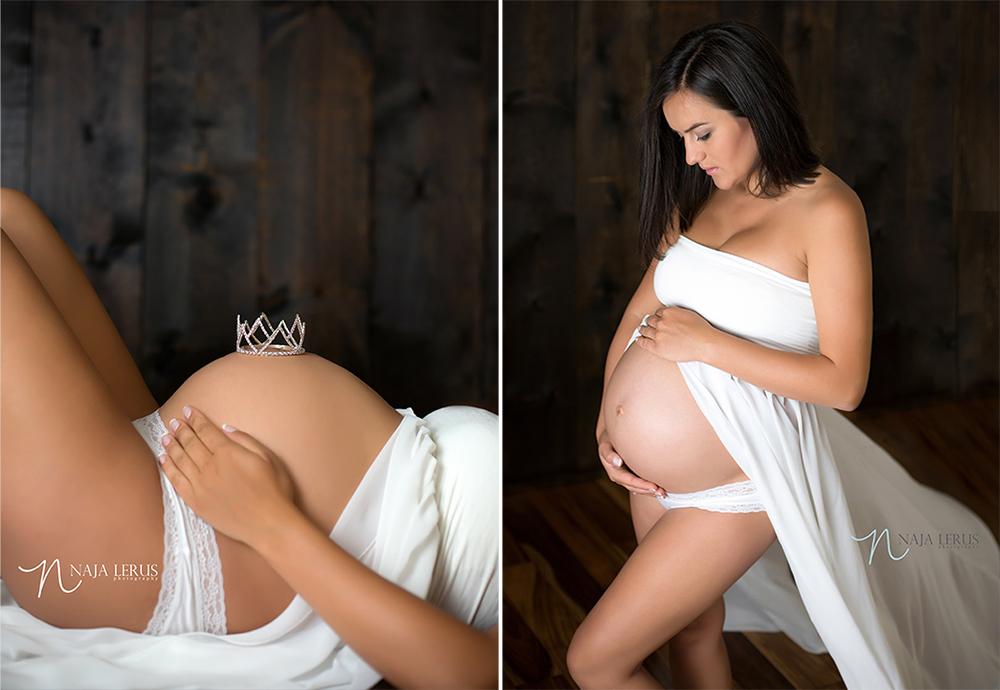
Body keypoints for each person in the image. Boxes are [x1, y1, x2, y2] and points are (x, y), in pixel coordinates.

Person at [567, 20, 998, 690]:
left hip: (740, 485)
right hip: (651, 479)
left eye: (701, 133)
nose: (687, 156)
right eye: (679, 137)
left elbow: (844, 383)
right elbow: (636, 310)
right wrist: (606, 420)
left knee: (593, 661)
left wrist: (707, 343)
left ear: (755, 106)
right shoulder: (699, 196)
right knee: (692, 629)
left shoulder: (828, 211)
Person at [0, 186, 499, 689]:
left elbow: (468, 677)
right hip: (168, 459)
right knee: (9, 213)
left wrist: (270, 522)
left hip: (170, 557)